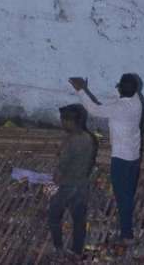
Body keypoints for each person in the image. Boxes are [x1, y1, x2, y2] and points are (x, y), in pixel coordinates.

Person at [69, 74, 142, 244]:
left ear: (121, 88)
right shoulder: (136, 100)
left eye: (119, 86)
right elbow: (120, 97)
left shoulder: (119, 108)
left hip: (121, 158)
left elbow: (94, 109)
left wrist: (80, 90)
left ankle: (127, 234)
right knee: (128, 190)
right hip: (134, 154)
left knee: (122, 195)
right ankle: (127, 216)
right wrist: (119, 89)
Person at [48, 103, 97, 258]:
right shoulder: (88, 138)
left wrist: (53, 181)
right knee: (78, 220)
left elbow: (61, 167)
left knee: (54, 216)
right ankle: (77, 251)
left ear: (70, 122)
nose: (61, 123)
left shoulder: (72, 142)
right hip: (82, 185)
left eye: (63, 120)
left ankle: (58, 248)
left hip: (67, 185)